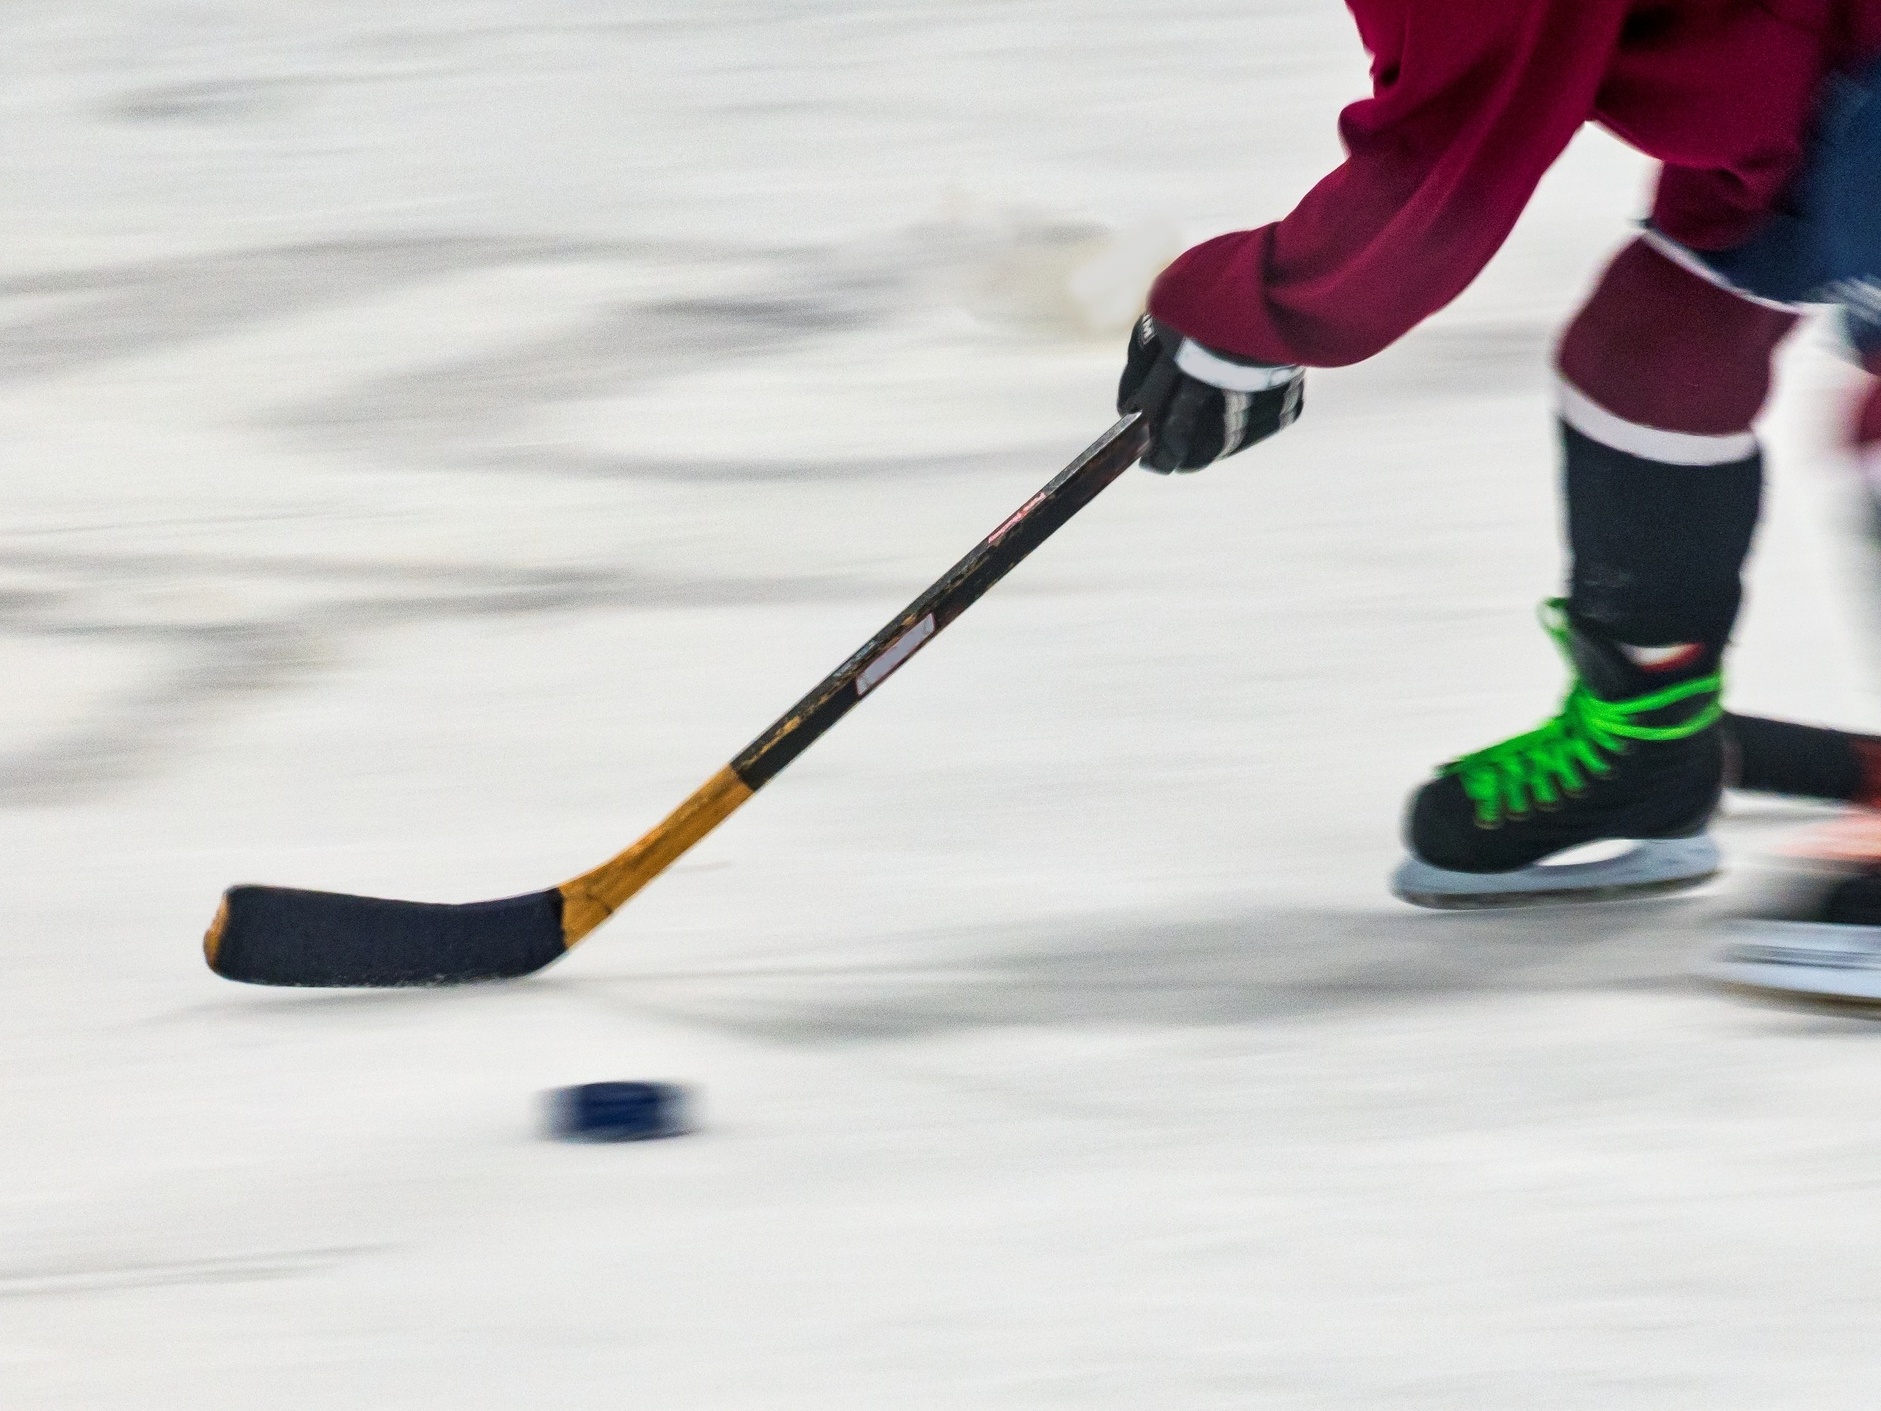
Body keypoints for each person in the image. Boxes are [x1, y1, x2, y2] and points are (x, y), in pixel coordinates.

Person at [1119, 0, 1881, 914]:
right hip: (1807, 68)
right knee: (1654, 351)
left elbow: (1450, 158)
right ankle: (1647, 738)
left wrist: (1246, 315)